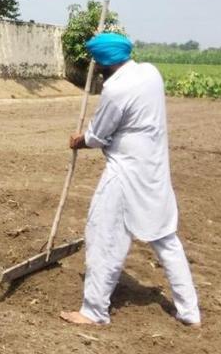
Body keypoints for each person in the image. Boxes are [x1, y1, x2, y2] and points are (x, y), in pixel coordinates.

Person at [60, 33, 201, 327]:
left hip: (124, 174)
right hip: (154, 172)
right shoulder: (151, 73)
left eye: (95, 60)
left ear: (102, 61)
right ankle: (190, 312)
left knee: (103, 237)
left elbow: (98, 136)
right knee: (165, 238)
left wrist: (79, 141)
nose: (93, 66)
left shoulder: (116, 90)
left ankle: (94, 311)